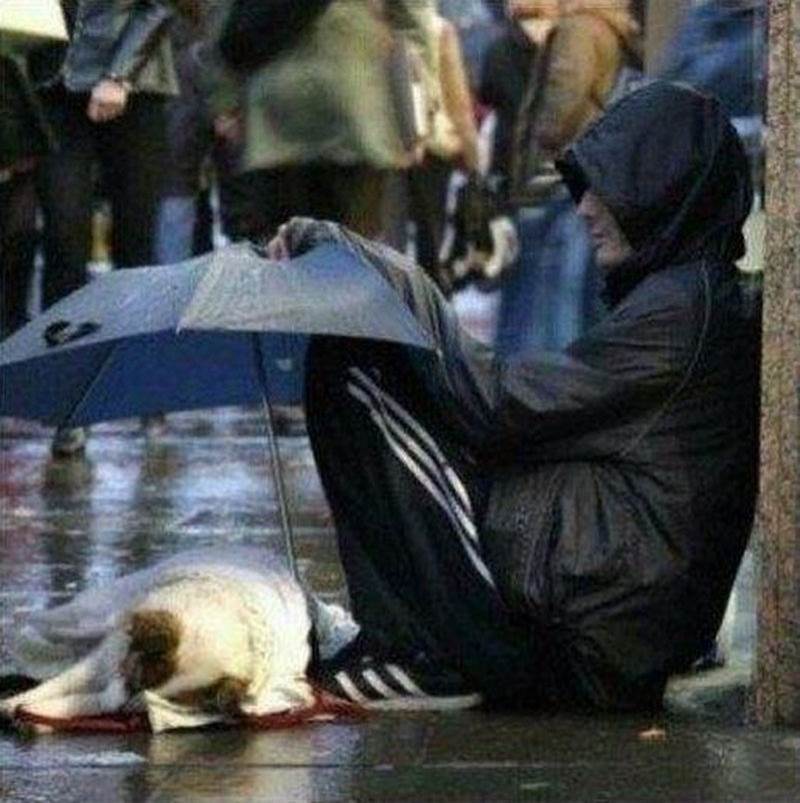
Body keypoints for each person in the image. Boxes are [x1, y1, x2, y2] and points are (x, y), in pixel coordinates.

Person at [267, 81, 761, 712]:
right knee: (381, 370)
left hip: (580, 645)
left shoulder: (683, 309)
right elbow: (529, 412)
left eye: (607, 188)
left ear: (660, 191)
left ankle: (419, 655)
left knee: (352, 368)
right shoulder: (693, 294)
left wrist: (386, 273)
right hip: (606, 624)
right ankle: (415, 642)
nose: (585, 209)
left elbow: (495, 406)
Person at [27, 0, 179, 456]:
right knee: (62, 241)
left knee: (134, 245)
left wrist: (119, 75)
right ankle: (69, 403)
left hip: (135, 86)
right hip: (53, 84)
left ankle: (148, 390)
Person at [489, 0, 640, 355]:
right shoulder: (611, 29)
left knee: (538, 291)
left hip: (551, 179)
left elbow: (562, 97)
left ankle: (525, 373)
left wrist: (541, 141)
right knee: (567, 288)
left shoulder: (579, 29)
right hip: (579, 176)